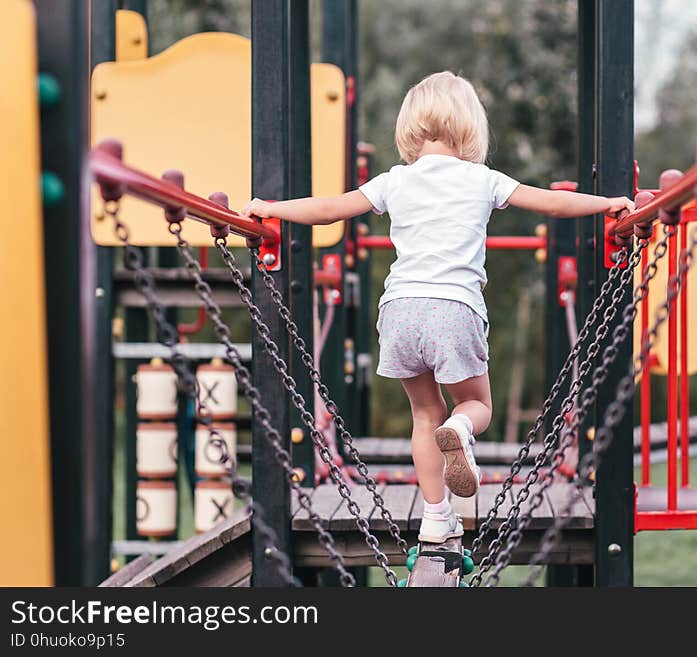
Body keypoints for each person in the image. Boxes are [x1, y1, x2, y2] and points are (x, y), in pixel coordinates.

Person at [241, 71, 634, 543]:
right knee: (475, 404)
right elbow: (551, 203)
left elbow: (329, 209)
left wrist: (271, 208)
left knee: (424, 415)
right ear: (470, 127)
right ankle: (462, 428)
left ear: (409, 128)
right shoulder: (482, 179)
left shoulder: (394, 181)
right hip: (453, 308)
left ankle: (435, 517)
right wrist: (608, 203)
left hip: (400, 310)